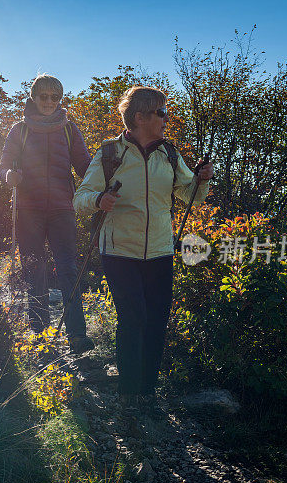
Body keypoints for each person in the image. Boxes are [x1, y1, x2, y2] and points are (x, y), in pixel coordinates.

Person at [73, 86, 214, 402]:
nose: (167, 118)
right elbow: (79, 198)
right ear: (140, 117)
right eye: (161, 112)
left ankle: (146, 392)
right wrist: (99, 199)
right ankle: (128, 393)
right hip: (120, 251)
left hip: (161, 251)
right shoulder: (111, 154)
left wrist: (201, 179)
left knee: (156, 320)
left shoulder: (170, 154)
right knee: (133, 317)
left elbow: (191, 196)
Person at [0, 74, 93, 353]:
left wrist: (106, 182)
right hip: (28, 210)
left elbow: (85, 166)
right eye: (44, 96)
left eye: (55, 97)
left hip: (63, 208)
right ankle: (39, 335)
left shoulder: (69, 130)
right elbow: (4, 164)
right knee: (34, 270)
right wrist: (9, 176)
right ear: (33, 97)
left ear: (60, 99)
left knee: (69, 269)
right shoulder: (20, 129)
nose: (49, 102)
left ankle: (77, 334)